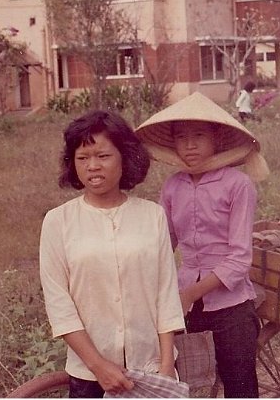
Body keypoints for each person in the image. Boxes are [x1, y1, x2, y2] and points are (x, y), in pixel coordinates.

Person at [39, 110, 186, 398]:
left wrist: (167, 366)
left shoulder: (152, 216)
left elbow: (166, 293)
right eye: (83, 158)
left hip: (152, 369)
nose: (93, 166)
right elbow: (60, 306)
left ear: (125, 158)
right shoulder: (58, 222)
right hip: (89, 375)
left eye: (103, 156)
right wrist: (99, 367)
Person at [135, 92, 270, 398]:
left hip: (231, 305)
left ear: (217, 140)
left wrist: (190, 294)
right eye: (181, 138)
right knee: (196, 383)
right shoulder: (173, 186)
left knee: (239, 386)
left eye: (198, 136)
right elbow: (164, 243)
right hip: (187, 304)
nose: (189, 145)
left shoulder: (238, 185)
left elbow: (238, 260)